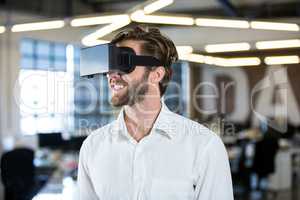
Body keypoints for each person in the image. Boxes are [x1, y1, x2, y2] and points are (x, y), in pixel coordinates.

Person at [78, 26, 234, 200]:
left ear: (157, 74)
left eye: (123, 62)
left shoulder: (204, 146)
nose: (112, 75)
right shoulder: (92, 147)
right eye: (110, 66)